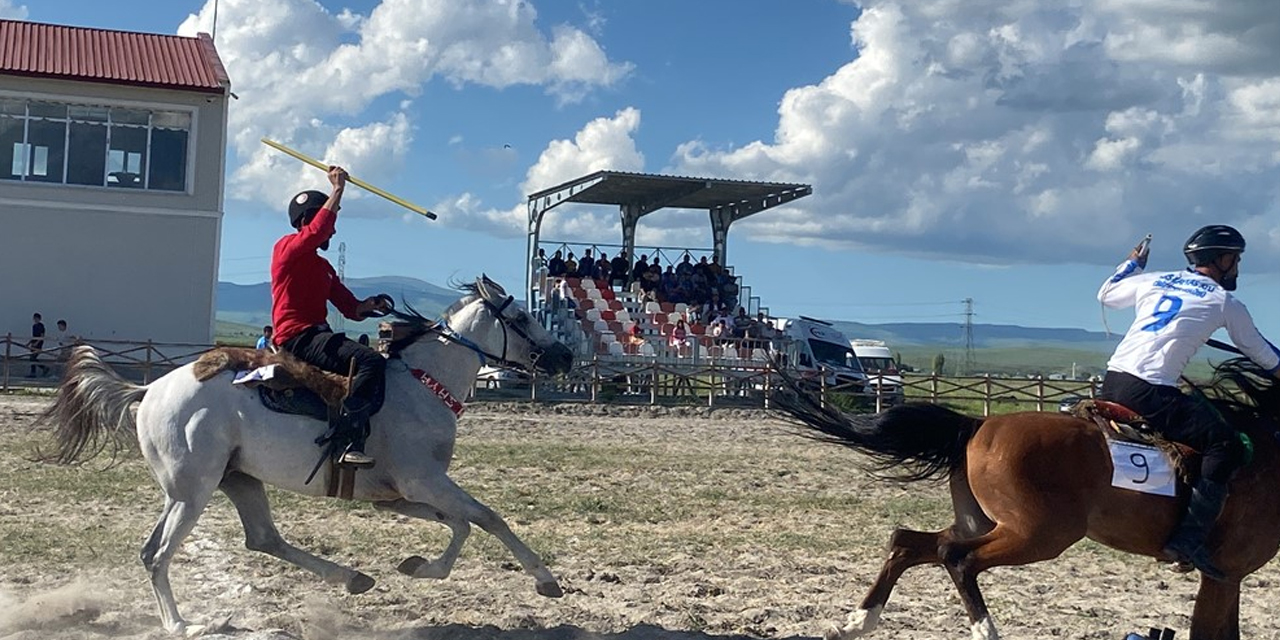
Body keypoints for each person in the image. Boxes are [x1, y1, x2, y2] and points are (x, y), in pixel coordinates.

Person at [1097, 225, 1280, 581]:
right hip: (1151, 392)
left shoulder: (1155, 280)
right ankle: (1190, 538)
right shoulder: (1224, 302)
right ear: (1223, 260)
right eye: (1236, 259)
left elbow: (1107, 294)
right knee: (1225, 445)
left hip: (1114, 381)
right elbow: (1262, 354)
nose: (1237, 267)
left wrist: (1132, 264)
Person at [271, 166, 391, 467]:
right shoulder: (286, 249)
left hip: (316, 335)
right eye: (328, 219)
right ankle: (346, 439)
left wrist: (370, 305)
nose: (334, 230)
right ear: (306, 219)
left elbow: (350, 308)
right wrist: (337, 190)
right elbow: (319, 230)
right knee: (370, 361)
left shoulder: (323, 267)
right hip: (298, 338)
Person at [27, 312, 48, 378]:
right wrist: (29, 343)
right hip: (33, 344)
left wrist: (37, 343)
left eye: (37, 318)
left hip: (38, 344)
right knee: (32, 358)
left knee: (33, 358)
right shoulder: (34, 326)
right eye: (34, 318)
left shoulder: (41, 326)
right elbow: (33, 336)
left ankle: (42, 368)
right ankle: (34, 372)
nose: (35, 320)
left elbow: (42, 336)